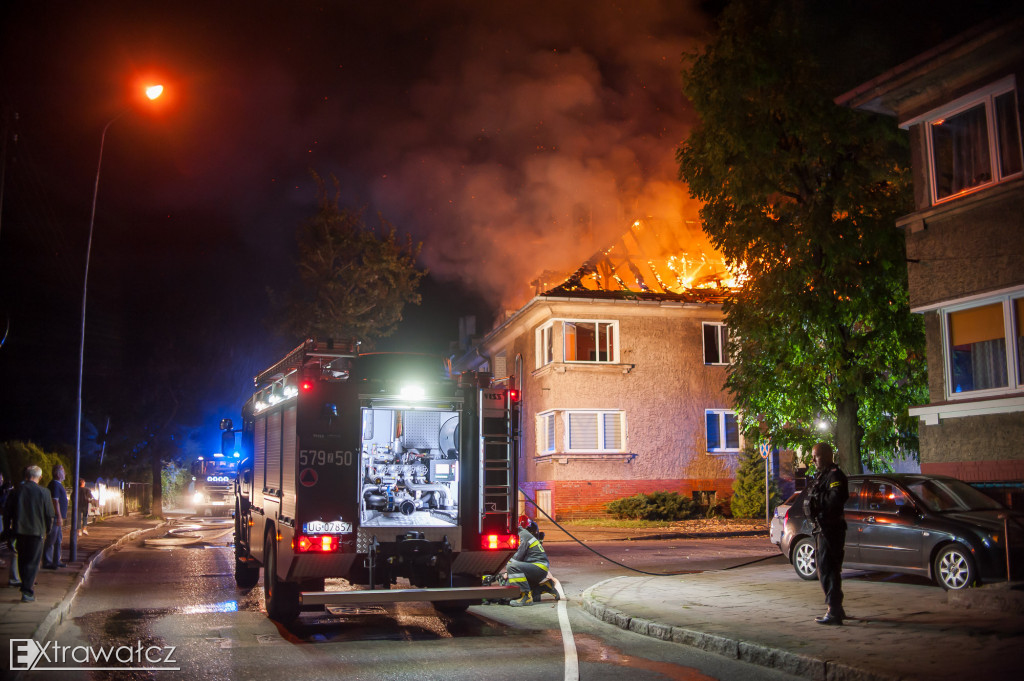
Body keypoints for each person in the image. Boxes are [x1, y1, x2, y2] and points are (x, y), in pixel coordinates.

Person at [804, 442, 849, 625]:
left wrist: (817, 500)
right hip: (822, 528)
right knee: (827, 569)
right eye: (813, 456)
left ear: (828, 455)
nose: (813, 459)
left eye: (817, 456)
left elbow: (836, 499)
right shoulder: (822, 476)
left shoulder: (834, 475)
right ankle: (837, 608)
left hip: (831, 529)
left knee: (827, 569)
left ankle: (833, 611)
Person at [15, 465, 55, 602]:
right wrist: (48, 529)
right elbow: (49, 514)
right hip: (37, 532)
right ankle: (27, 591)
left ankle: (25, 586)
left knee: (22, 560)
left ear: (26, 475)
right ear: (40, 477)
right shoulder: (44, 492)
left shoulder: (17, 491)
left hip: (20, 531)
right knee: (33, 562)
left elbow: (8, 512)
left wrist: (8, 533)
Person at [504, 515, 558, 607]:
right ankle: (544, 587)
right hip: (536, 568)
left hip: (538, 568)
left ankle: (526, 598)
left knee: (511, 567)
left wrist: (505, 573)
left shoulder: (522, 536)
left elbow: (516, 559)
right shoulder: (521, 534)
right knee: (507, 597)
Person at [43, 464, 68, 569]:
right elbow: (55, 501)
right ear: (57, 474)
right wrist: (58, 516)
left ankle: (56, 560)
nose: (64, 474)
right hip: (55, 517)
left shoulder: (57, 484)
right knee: (52, 539)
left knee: (58, 539)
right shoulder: (55, 485)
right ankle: (47, 561)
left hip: (57, 517)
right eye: (63, 471)